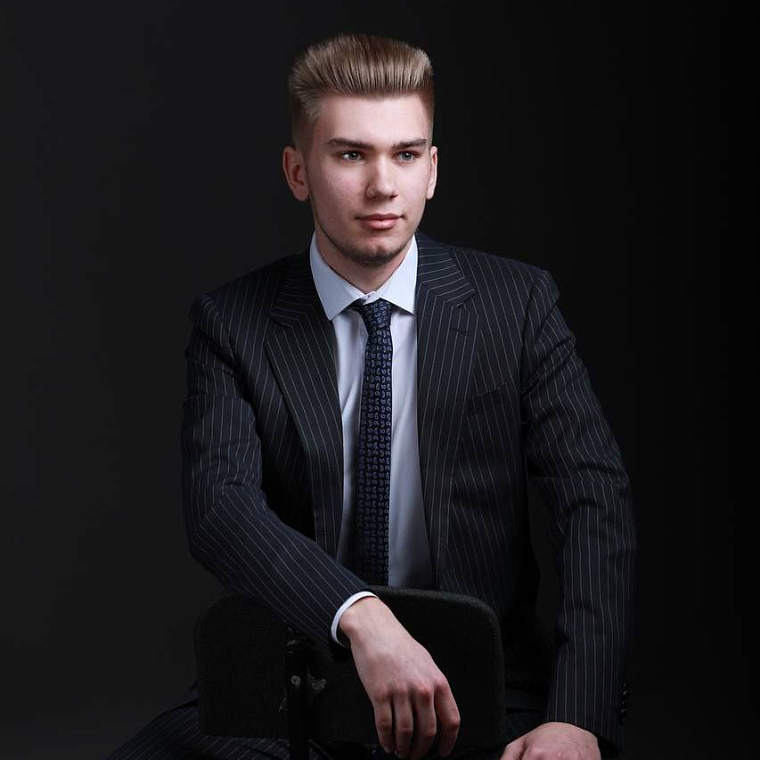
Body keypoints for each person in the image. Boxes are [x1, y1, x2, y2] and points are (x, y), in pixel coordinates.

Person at [107, 32, 637, 760]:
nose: (383, 185)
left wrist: (577, 715)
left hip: (479, 691)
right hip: (295, 689)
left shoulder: (516, 306)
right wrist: (359, 615)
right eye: (352, 155)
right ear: (298, 171)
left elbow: (595, 502)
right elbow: (219, 508)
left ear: (433, 170)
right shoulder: (233, 323)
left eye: (406, 154)